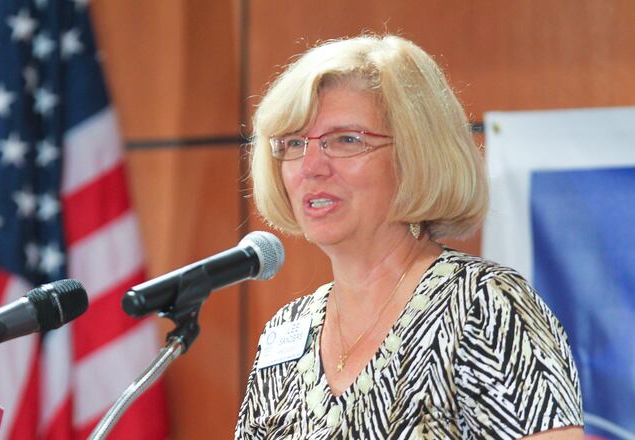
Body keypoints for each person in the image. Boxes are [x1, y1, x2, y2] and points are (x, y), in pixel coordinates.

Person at [235, 35, 583, 439]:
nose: (310, 165)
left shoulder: (484, 306)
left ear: (416, 156)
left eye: (346, 140)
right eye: (294, 143)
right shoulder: (285, 334)